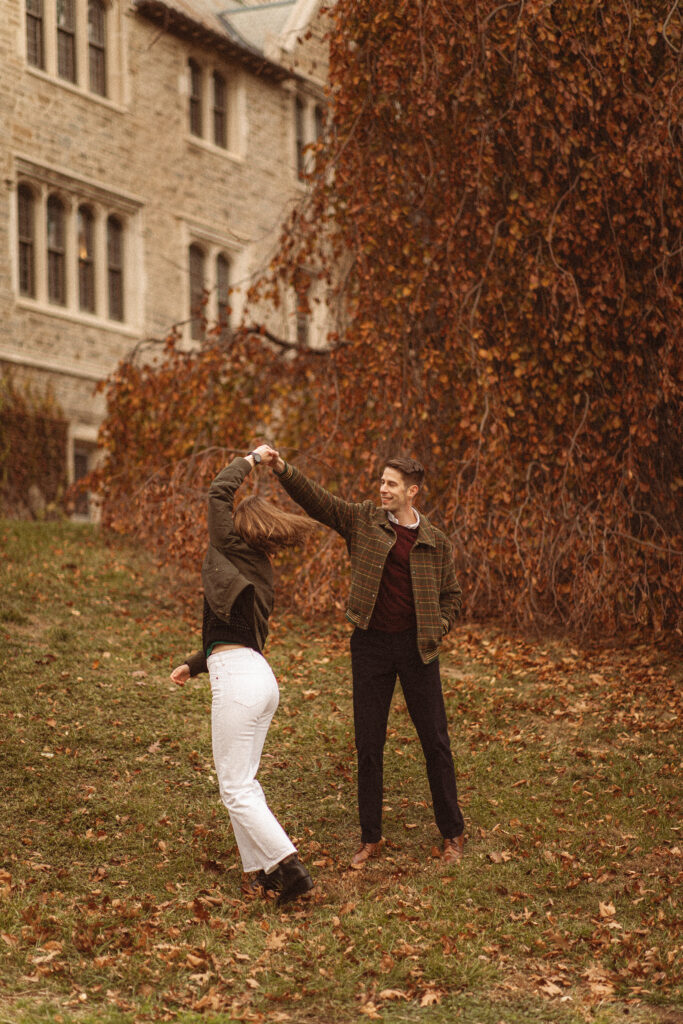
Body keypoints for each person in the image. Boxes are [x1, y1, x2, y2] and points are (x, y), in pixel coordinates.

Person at [265, 448, 465, 867]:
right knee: (369, 744)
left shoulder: (435, 541)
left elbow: (452, 596)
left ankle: (452, 835)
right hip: (371, 646)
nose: (383, 489)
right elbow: (318, 500)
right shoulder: (362, 521)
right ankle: (370, 838)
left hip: (418, 650)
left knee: (436, 743)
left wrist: (440, 626)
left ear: (412, 491)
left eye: (392, 484)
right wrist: (283, 469)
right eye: (382, 481)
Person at [170, 445, 315, 905]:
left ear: (238, 527)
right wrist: (194, 665)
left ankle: (289, 866)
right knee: (243, 783)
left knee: (234, 787)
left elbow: (217, 493)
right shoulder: (260, 569)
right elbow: (229, 632)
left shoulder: (228, 545)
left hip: (237, 679)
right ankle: (265, 870)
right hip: (258, 677)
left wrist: (252, 458)